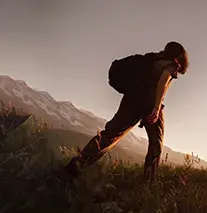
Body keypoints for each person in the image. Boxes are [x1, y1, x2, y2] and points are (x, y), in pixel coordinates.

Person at [63, 42, 189, 181]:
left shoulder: (152, 59)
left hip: (131, 99)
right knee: (156, 143)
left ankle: (79, 163)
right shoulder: (171, 65)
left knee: (110, 134)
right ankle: (148, 182)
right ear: (179, 58)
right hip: (150, 105)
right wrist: (157, 108)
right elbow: (162, 83)